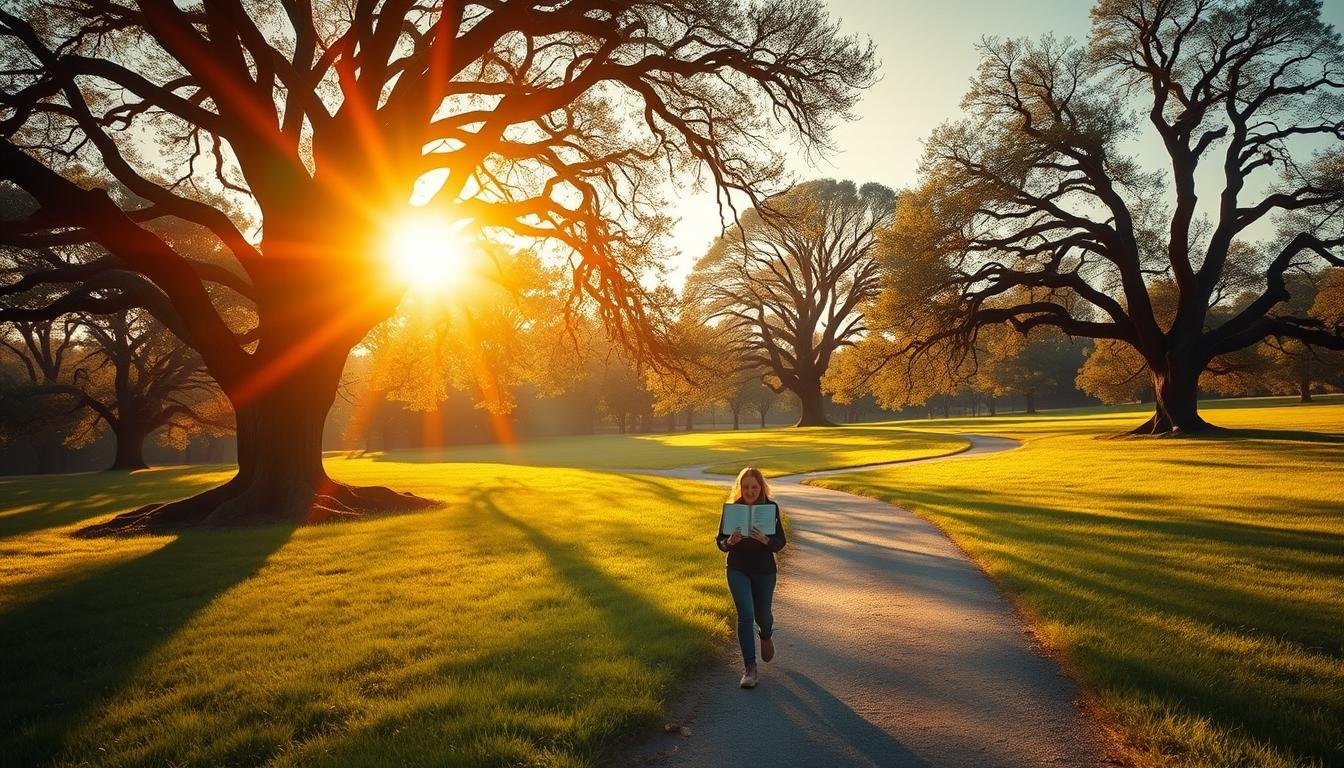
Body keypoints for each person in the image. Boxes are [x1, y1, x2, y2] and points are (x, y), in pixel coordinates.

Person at [715, 466, 786, 689]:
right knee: (745, 614)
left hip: (765, 570)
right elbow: (720, 541)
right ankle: (750, 668)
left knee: (763, 616)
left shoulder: (771, 508)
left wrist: (766, 540)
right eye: (745, 487)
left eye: (754, 487)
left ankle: (765, 634)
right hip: (738, 569)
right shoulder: (733, 509)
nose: (750, 491)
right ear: (740, 487)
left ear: (761, 487)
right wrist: (729, 542)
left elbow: (780, 542)